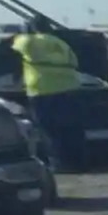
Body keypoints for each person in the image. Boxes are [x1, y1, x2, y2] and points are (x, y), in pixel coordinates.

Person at [11, 20, 81, 169]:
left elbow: (16, 45)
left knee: (48, 130)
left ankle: (56, 163)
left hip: (42, 90)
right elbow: (74, 62)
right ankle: (76, 161)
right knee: (69, 128)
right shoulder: (61, 43)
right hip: (69, 89)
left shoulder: (29, 41)